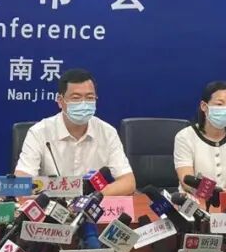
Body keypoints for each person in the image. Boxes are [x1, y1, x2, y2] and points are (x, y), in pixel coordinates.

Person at [14, 68, 136, 196]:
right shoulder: (39, 132)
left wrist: (92, 197)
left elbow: (128, 182)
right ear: (60, 101)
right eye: (76, 98)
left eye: (89, 97)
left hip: (93, 205)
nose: (83, 103)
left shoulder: (107, 132)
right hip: (52, 205)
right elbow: (21, 181)